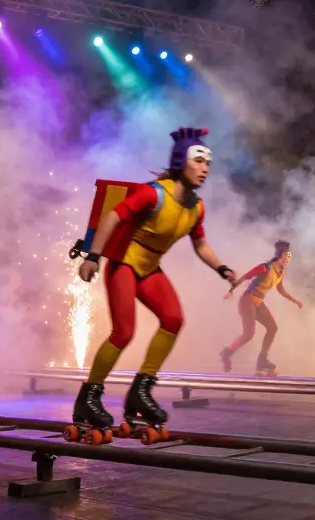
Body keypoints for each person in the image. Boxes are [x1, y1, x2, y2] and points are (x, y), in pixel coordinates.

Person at [73, 127, 236, 439]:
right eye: (199, 160)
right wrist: (93, 257)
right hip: (124, 264)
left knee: (173, 318)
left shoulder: (196, 207)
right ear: (180, 162)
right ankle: (88, 397)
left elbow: (201, 245)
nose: (205, 168)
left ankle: (140, 392)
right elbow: (112, 218)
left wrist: (222, 268)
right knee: (124, 333)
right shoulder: (154, 194)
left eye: (208, 163)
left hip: (150, 267)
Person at [220, 239, 303, 376]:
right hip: (247, 300)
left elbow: (280, 289)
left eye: (289, 257)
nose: (287, 260)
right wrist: (231, 291)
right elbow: (245, 277)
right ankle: (227, 353)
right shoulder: (265, 267)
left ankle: (262, 359)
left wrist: (294, 300)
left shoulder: (281, 271)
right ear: (279, 255)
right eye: (285, 256)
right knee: (248, 334)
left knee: (272, 328)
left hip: (258, 302)